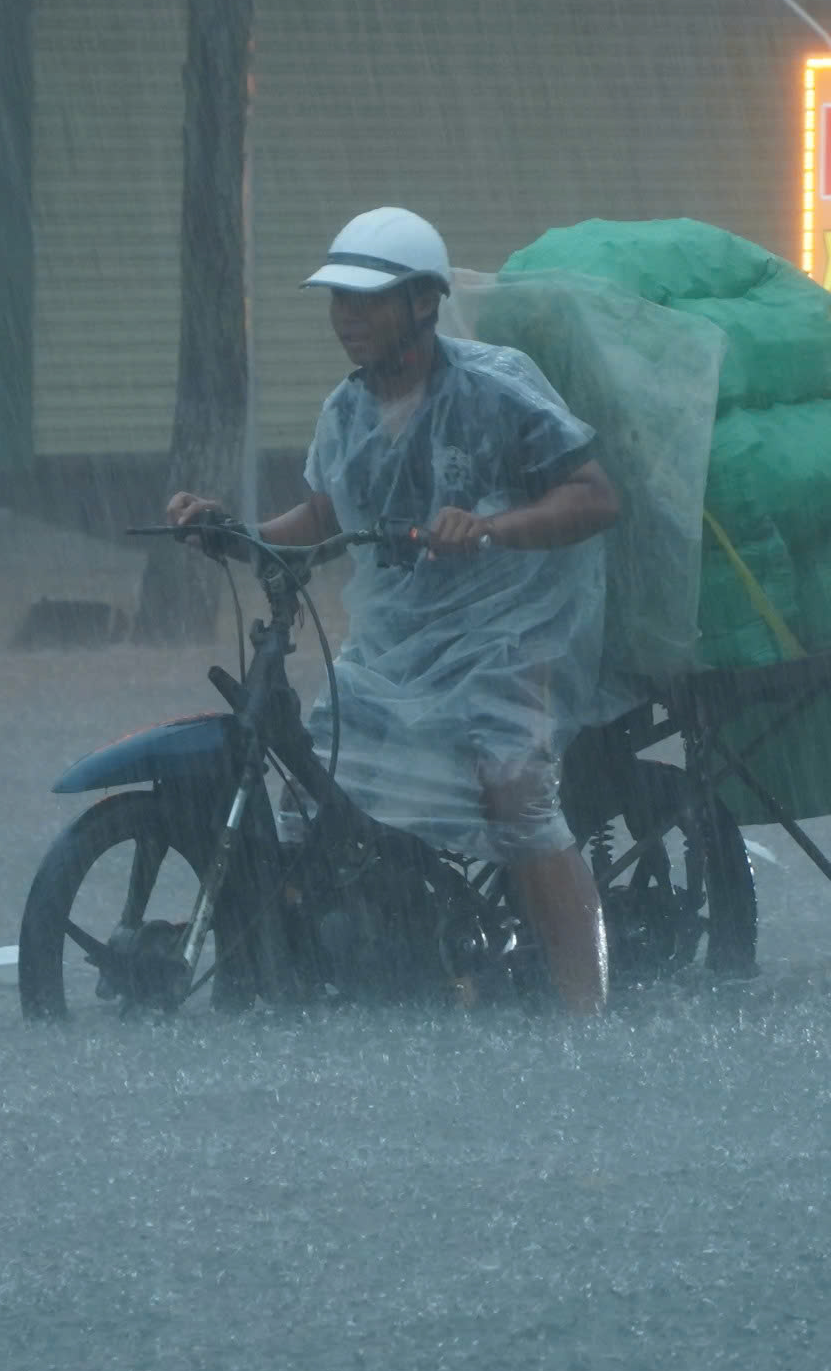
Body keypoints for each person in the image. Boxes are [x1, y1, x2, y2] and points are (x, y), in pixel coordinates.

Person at [166, 206, 621, 1015]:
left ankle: (586, 1004)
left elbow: (594, 497)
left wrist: (489, 529)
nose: (347, 318)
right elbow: (323, 519)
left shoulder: (497, 386)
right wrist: (233, 535)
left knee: (516, 790)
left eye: (367, 301)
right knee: (316, 784)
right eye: (339, 300)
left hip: (510, 637)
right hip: (398, 645)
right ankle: (349, 968)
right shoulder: (344, 412)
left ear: (421, 303)